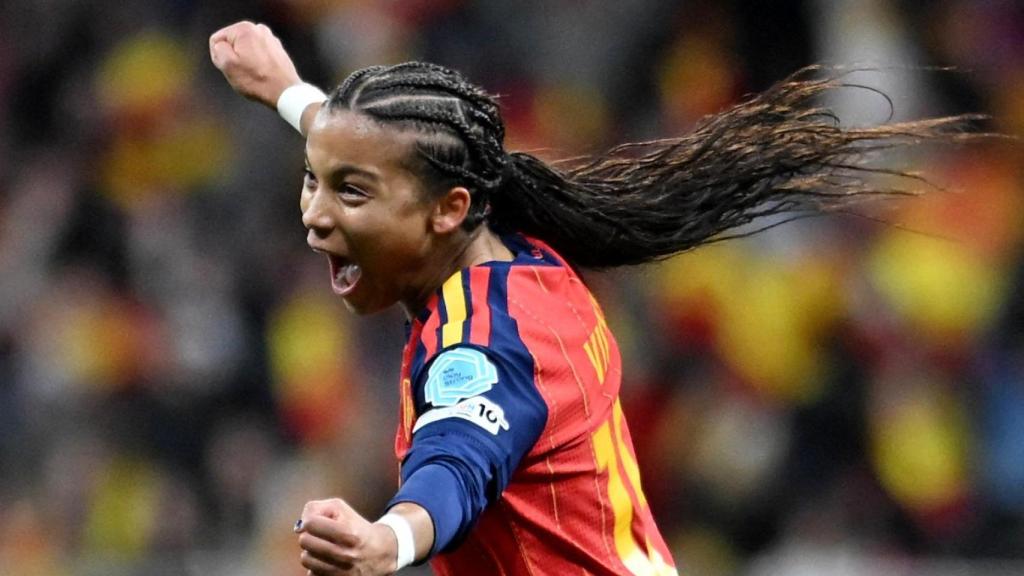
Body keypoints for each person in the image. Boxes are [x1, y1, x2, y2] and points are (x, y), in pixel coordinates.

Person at [209, 21, 980, 576]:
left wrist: (390, 541)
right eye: (315, 180)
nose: (314, 216)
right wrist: (291, 94)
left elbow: (458, 462)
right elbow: (377, 150)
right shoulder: (512, 244)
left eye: (348, 193)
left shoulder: (488, 341)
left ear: (446, 211)